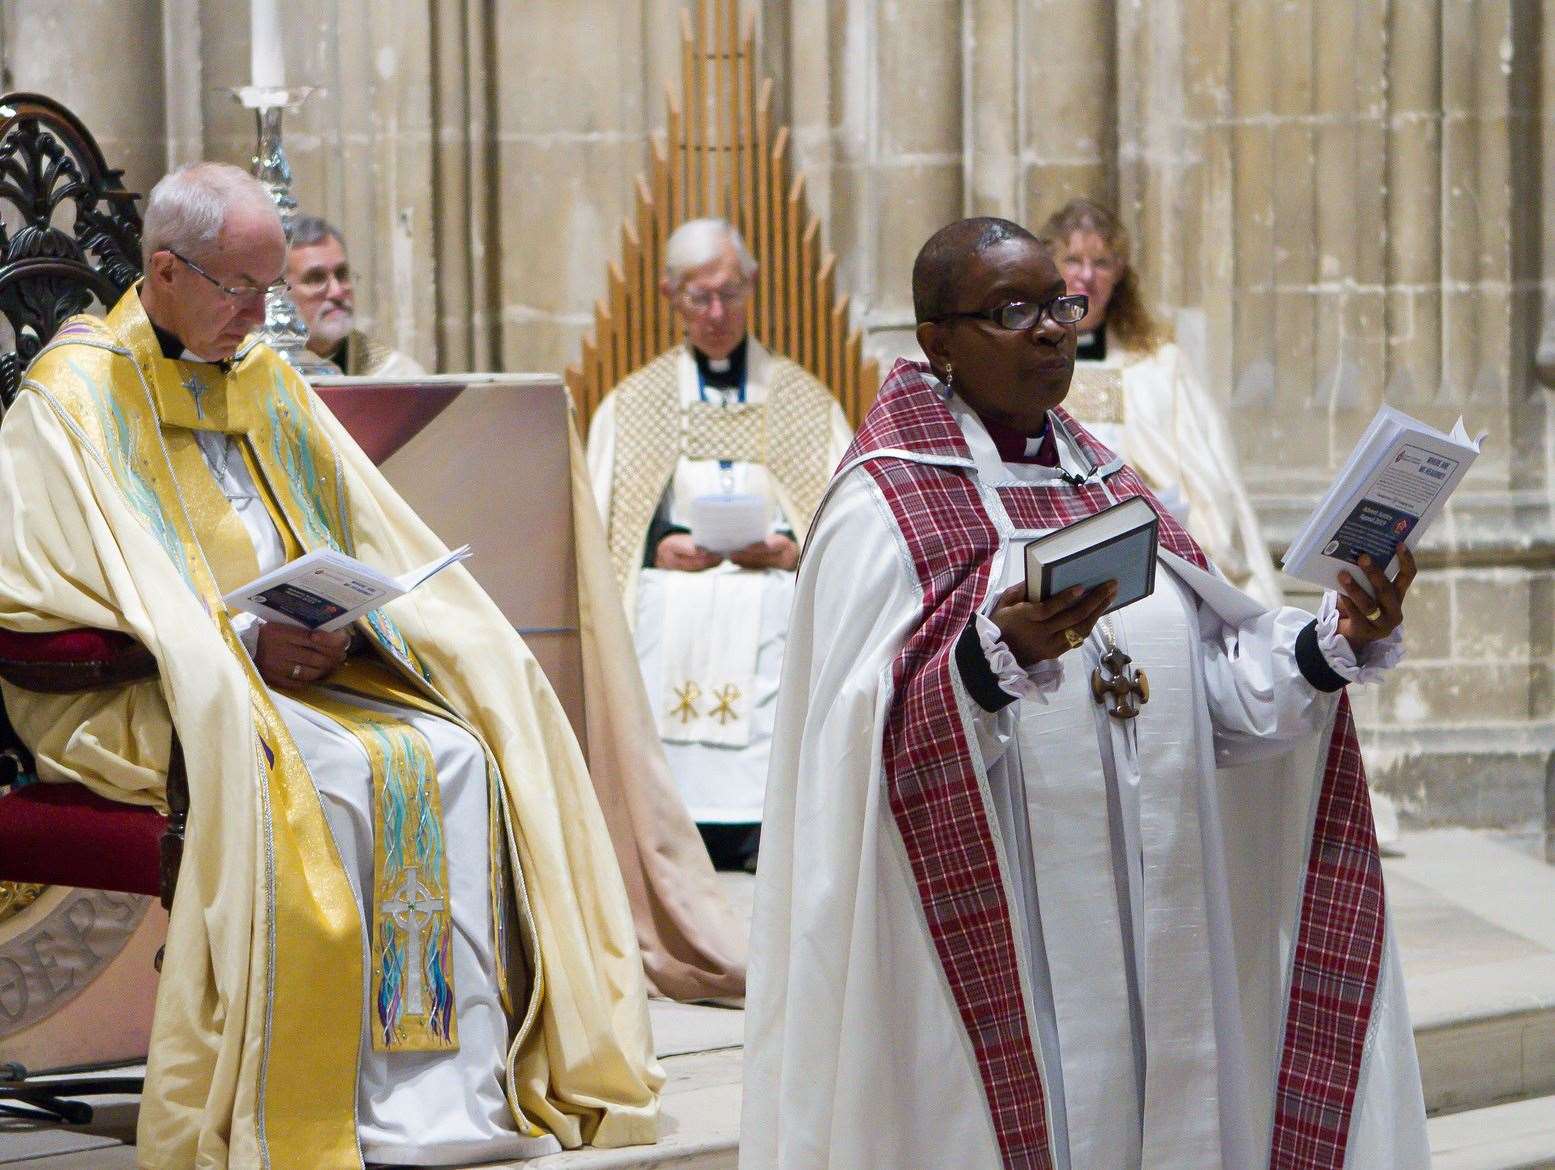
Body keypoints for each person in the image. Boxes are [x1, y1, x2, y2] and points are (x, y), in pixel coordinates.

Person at [0, 163, 659, 1167]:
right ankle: (322, 1102)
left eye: (270, 290)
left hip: (292, 672)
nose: (261, 317)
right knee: (340, 779)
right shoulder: (71, 397)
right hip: (157, 698)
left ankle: (440, 1096)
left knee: (455, 754)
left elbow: (358, 530)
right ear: (167, 271)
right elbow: (36, 592)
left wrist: (349, 626)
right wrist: (236, 648)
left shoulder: (258, 376)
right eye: (241, 290)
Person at [742, 217, 1429, 1169]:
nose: (1052, 330)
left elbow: (1202, 697)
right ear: (937, 340)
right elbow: (848, 758)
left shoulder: (1108, 484)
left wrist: (1328, 646)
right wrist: (985, 667)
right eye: (1012, 309)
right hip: (1006, 959)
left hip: (1160, 936)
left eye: (1059, 304)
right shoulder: (884, 510)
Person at [587, 218, 850, 871]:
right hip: (677, 589)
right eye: (697, 297)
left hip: (770, 585)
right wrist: (656, 546)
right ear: (668, 295)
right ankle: (670, 825)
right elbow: (607, 528)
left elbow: (844, 518)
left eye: (730, 294)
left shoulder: (802, 401)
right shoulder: (634, 404)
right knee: (657, 604)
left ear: (753, 287)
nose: (715, 313)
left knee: (775, 609)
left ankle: (768, 826)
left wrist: (794, 549)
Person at [1043, 197, 1284, 607]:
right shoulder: (1023, 361)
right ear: (1049, 267)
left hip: (1152, 563)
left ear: (1119, 274)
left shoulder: (1159, 363)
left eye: (1101, 263)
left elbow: (1208, 476)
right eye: (1073, 260)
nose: (1086, 276)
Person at [287, 213, 428, 377]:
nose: (337, 292)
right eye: (316, 279)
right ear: (280, 290)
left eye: (342, 274)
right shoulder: (258, 368)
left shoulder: (396, 374)